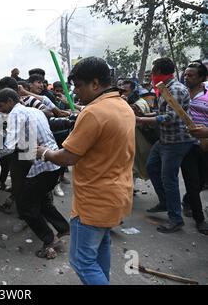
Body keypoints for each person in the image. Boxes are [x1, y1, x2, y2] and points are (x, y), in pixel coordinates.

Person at [37, 57, 135, 285]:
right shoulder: (122, 106)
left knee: (82, 262)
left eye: (78, 86)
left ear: (94, 83)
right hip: (117, 195)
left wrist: (44, 152)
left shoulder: (94, 114)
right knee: (100, 250)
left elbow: (67, 156)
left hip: (94, 200)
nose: (75, 93)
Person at [0, 88, 69, 259]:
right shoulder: (34, 110)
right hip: (54, 162)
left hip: (43, 164)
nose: (0, 108)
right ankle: (63, 228)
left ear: (10, 101)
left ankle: (50, 240)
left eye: (1, 105)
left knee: (25, 206)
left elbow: (8, 147)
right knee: (41, 200)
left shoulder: (15, 114)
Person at [137, 57, 195, 233]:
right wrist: (144, 115)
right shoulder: (165, 88)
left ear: (161, 73)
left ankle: (176, 219)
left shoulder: (175, 90)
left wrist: (141, 120)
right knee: (151, 167)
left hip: (176, 141)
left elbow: (171, 117)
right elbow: (162, 112)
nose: (151, 76)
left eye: (153, 72)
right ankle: (165, 201)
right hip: (164, 140)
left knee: (168, 179)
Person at [180, 61, 208, 234]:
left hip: (205, 143)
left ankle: (187, 200)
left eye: (191, 75)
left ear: (202, 78)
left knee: (202, 181)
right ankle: (200, 219)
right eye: (185, 74)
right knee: (192, 181)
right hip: (186, 143)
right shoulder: (180, 93)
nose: (186, 77)